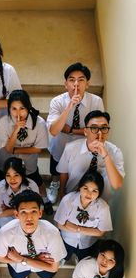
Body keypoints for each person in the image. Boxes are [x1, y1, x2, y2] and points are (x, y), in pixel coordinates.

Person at [0, 190, 67, 278]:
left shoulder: (52, 233)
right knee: (19, 275)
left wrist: (22, 259)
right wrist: (32, 260)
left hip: (41, 265)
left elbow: (53, 268)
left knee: (47, 276)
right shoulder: (6, 233)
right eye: (23, 212)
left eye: (33, 211)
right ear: (16, 214)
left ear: (40, 213)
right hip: (19, 266)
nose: (29, 217)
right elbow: (0, 258)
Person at [46, 62, 104, 204]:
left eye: (81, 80)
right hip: (60, 144)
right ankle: (55, 184)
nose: (76, 84)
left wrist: (69, 129)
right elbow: (54, 130)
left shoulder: (96, 101)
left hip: (83, 147)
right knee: (56, 170)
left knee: (78, 172)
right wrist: (69, 107)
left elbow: (97, 130)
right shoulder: (57, 102)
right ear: (65, 84)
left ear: (87, 84)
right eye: (72, 80)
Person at [0, 89, 53, 215]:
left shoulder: (39, 123)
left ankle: (45, 199)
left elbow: (38, 149)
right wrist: (16, 130)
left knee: (37, 180)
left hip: (28, 163)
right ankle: (9, 206)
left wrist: (16, 150)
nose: (18, 113)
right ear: (8, 109)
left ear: (28, 108)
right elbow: (8, 149)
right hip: (5, 162)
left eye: (22, 108)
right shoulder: (3, 123)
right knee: (5, 185)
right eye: (13, 109)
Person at [57, 110, 125, 202]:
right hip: (73, 198)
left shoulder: (115, 152)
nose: (100, 133)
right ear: (85, 131)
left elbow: (117, 184)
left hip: (100, 202)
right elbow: (63, 172)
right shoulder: (71, 148)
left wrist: (106, 156)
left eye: (104, 128)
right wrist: (61, 191)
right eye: (94, 128)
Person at [54, 171, 112, 264]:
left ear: (99, 192)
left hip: (88, 243)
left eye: (95, 191)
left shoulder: (103, 207)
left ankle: (80, 261)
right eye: (86, 188)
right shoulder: (68, 200)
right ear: (80, 187)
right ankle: (64, 258)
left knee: (84, 260)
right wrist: (90, 231)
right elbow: (60, 224)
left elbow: (101, 232)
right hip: (67, 239)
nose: (89, 194)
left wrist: (77, 228)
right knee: (65, 254)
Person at [0, 157, 39, 227]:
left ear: (22, 175)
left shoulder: (32, 186)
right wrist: (24, 209)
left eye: (16, 175)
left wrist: (8, 210)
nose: (12, 179)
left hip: (27, 217)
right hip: (7, 220)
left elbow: (36, 209)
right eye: (8, 175)